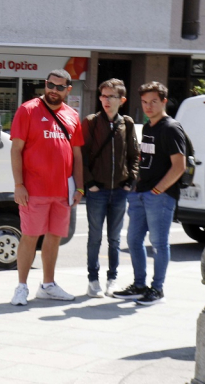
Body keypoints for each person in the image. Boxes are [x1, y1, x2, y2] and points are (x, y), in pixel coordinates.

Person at [10, 69, 84, 306]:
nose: (54, 90)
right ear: (45, 84)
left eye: (60, 87)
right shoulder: (28, 110)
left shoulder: (72, 115)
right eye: (50, 85)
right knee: (30, 237)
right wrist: (19, 185)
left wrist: (79, 188)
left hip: (62, 191)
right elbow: (16, 150)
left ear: (68, 90)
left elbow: (78, 156)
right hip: (33, 190)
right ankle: (21, 287)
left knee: (54, 238)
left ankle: (48, 285)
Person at [113, 81, 187, 306]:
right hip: (140, 194)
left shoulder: (171, 128)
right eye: (144, 102)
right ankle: (139, 285)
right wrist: (137, 186)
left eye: (154, 101)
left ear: (164, 101)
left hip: (160, 196)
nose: (148, 106)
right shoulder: (148, 127)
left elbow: (179, 166)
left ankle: (157, 289)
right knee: (134, 240)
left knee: (158, 243)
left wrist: (157, 190)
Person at [81, 79, 139, 298]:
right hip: (98, 191)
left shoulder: (128, 123)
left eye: (111, 96)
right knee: (95, 237)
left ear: (121, 100)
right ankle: (93, 280)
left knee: (114, 239)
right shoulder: (91, 122)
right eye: (103, 96)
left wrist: (130, 181)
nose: (105, 100)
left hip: (119, 192)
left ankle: (112, 279)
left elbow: (135, 156)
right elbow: (81, 156)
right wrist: (90, 183)